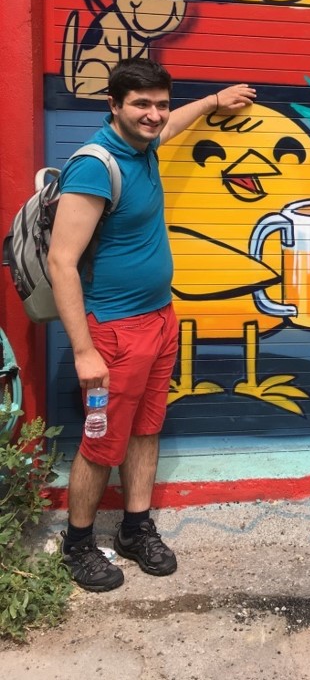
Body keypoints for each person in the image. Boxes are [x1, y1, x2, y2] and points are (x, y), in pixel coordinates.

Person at [48, 57, 256, 592]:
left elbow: (172, 124)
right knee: (102, 440)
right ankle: (78, 544)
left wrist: (213, 101)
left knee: (145, 430)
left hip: (160, 320)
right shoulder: (95, 165)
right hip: (113, 332)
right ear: (113, 105)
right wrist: (84, 350)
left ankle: (135, 529)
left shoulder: (143, 147)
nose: (155, 114)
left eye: (161, 104)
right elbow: (61, 262)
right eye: (141, 104)